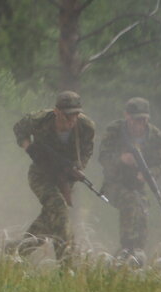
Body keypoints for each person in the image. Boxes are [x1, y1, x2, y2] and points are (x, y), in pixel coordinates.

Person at [9, 91, 96, 260]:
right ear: (57, 111)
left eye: (76, 115)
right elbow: (19, 128)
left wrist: (78, 169)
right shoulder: (40, 119)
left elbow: (86, 152)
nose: (72, 121)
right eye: (67, 116)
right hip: (41, 175)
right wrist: (29, 147)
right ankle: (68, 264)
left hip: (64, 177)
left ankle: (17, 251)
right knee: (60, 210)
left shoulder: (86, 127)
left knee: (51, 220)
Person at [98, 97, 161, 261]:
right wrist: (121, 159)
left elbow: (159, 165)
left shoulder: (155, 136)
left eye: (143, 120)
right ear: (127, 116)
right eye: (136, 120)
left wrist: (148, 174)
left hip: (137, 186)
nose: (139, 125)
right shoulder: (114, 131)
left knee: (142, 211)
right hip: (113, 183)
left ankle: (136, 254)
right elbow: (103, 158)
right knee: (130, 202)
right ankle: (126, 250)